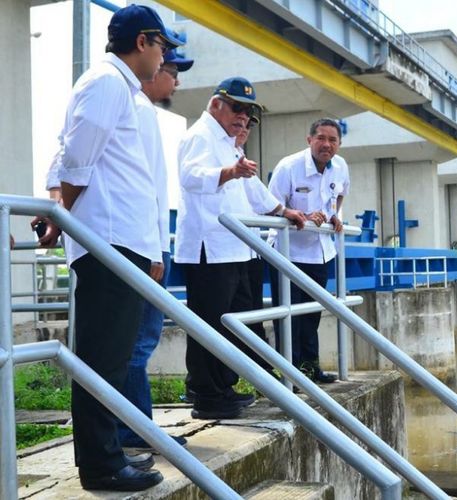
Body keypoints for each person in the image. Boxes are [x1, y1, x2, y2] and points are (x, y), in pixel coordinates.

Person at [56, 4, 181, 492]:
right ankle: (102, 465)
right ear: (144, 41)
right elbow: (75, 154)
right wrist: (63, 216)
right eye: (163, 45)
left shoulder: (122, 90)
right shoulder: (107, 82)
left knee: (110, 357)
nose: (165, 55)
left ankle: (108, 456)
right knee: (102, 360)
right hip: (107, 242)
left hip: (122, 241)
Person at [174, 77, 304, 420]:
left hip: (236, 248)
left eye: (248, 114)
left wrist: (282, 210)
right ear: (216, 103)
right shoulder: (200, 136)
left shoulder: (229, 143)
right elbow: (190, 176)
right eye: (237, 108)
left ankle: (224, 387)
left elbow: (253, 189)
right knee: (209, 322)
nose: (243, 118)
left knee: (232, 322)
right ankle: (206, 393)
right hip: (210, 248)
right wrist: (230, 171)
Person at [116, 46, 194, 450]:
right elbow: (141, 190)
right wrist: (153, 252)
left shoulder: (143, 112)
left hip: (146, 241)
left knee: (134, 343)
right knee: (139, 342)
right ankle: (135, 430)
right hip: (142, 245)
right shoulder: (136, 109)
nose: (176, 81)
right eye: (172, 70)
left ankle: (132, 428)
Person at [268, 118, 350, 383]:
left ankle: (310, 369)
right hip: (287, 253)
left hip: (320, 252)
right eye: (321, 138)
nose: (326, 144)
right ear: (309, 140)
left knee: (312, 313)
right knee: (288, 316)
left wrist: (335, 215)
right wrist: (300, 215)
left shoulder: (340, 167)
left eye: (332, 140)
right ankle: (289, 374)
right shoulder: (289, 167)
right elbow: (271, 206)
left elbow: (340, 194)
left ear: (338, 144)